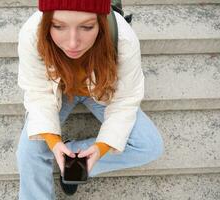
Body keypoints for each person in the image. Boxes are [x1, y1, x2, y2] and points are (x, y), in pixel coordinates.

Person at [16, 0, 164, 199]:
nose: (72, 43)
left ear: (101, 22)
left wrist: (101, 147)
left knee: (149, 145)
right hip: (58, 91)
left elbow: (125, 99)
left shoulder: (123, 38)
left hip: (103, 91)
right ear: (48, 21)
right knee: (28, 153)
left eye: (87, 27)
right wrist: (52, 141)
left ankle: (73, 157)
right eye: (59, 26)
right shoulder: (32, 33)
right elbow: (37, 92)